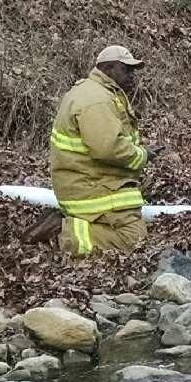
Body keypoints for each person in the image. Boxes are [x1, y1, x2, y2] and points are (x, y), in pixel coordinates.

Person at [48, 44, 159, 257]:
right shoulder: (97, 100)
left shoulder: (98, 92)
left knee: (134, 224)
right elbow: (108, 149)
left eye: (132, 70)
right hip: (88, 188)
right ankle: (69, 234)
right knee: (133, 238)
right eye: (126, 69)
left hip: (89, 180)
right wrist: (142, 156)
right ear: (108, 69)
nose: (131, 76)